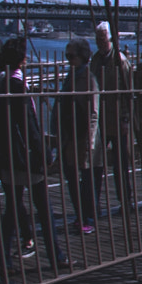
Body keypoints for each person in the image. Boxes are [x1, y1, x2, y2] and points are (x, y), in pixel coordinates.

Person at [0, 36, 55, 265]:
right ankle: (56, 255)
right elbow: (30, 127)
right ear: (23, 60)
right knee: (44, 209)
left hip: (6, 156)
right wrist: (45, 154)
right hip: (24, 158)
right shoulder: (18, 86)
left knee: (10, 210)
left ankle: (4, 256)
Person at [90, 22, 137, 221]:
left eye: (102, 38)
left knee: (120, 165)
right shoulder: (95, 60)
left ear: (109, 38)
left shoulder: (120, 61)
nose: (100, 42)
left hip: (117, 119)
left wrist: (126, 118)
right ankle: (94, 205)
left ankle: (126, 202)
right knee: (96, 164)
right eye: (97, 38)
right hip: (100, 119)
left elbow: (129, 91)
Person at [54, 40, 100, 236]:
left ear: (82, 56)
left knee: (85, 180)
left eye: (71, 56)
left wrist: (89, 144)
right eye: (67, 56)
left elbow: (93, 113)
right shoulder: (70, 77)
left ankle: (88, 218)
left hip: (82, 138)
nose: (68, 60)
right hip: (68, 135)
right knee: (71, 178)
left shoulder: (88, 79)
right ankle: (79, 216)